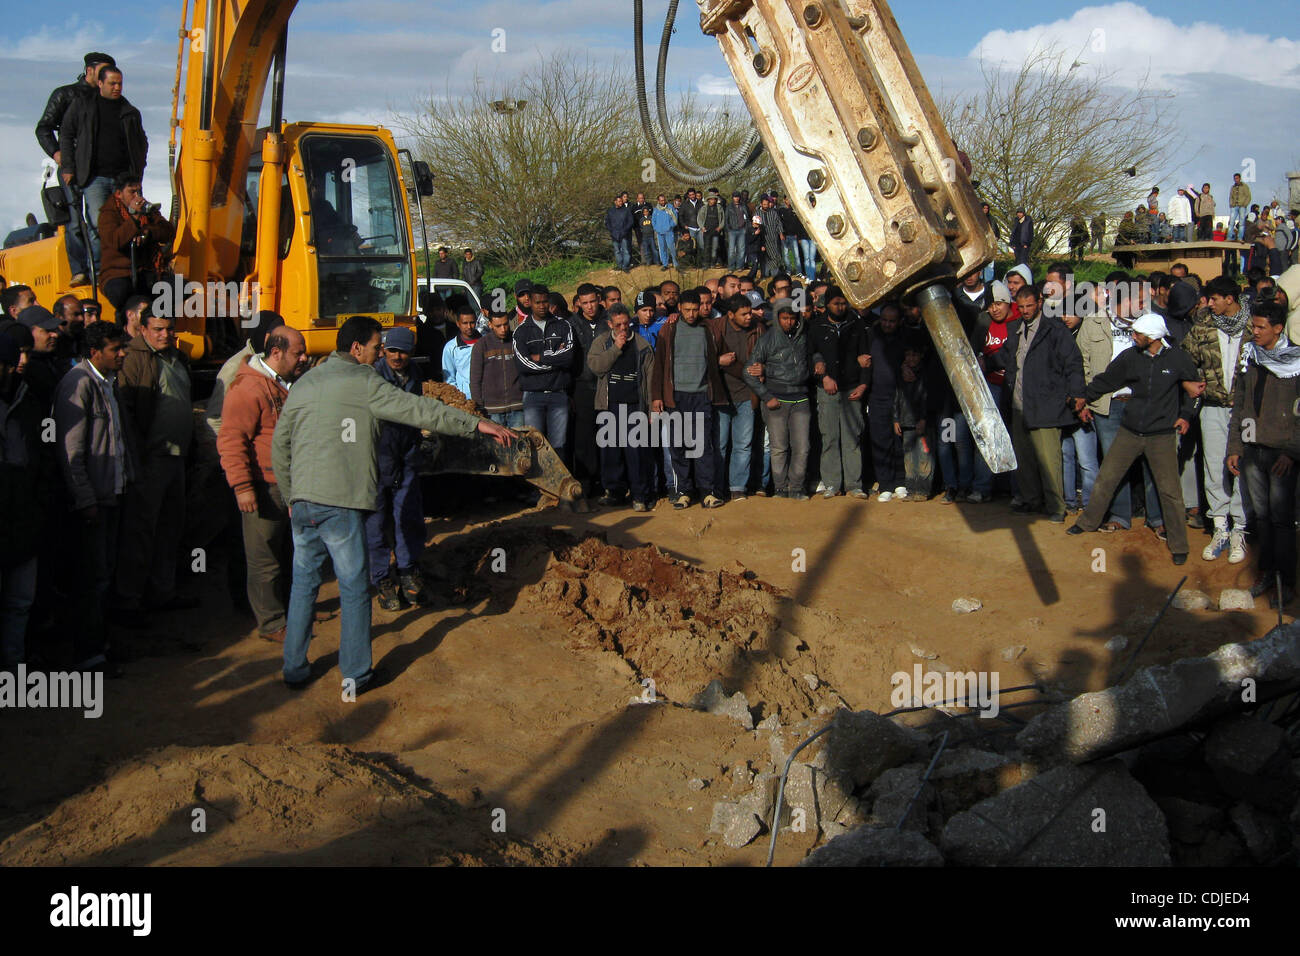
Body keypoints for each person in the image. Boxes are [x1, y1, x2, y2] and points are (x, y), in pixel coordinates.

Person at [272, 315, 514, 692]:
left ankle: (295, 668)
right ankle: (356, 673)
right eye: (374, 347)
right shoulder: (364, 381)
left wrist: (291, 495)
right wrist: (476, 425)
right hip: (340, 501)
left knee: (304, 584)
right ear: (356, 348)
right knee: (353, 587)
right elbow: (420, 411)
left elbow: (281, 444)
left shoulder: (306, 382)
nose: (379, 353)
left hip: (303, 501)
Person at [1069, 314, 1205, 566]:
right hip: (1129, 431)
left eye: (1138, 334)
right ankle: (1087, 522)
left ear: (1152, 337)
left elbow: (1195, 392)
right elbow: (1107, 380)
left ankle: (1179, 545)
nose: (1133, 337)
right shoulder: (1131, 357)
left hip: (1161, 435)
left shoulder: (1177, 358)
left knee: (1170, 492)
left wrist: (1186, 416)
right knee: (1106, 478)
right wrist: (1084, 397)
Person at [217, 326, 308, 641]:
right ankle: (271, 622)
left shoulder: (280, 383)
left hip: (283, 483)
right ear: (277, 352)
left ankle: (282, 610)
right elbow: (231, 440)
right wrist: (242, 487)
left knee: (283, 551)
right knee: (264, 558)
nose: (304, 357)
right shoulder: (247, 389)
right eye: (299, 352)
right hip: (262, 484)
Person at [54, 321, 134, 674]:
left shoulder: (108, 385)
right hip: (93, 501)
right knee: (91, 578)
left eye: (122, 347)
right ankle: (88, 655)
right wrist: (84, 498)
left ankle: (99, 644)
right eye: (115, 349)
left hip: (111, 494)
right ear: (94, 352)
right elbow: (70, 451)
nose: (122, 354)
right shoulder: (79, 385)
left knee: (104, 574)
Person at [114, 311, 195, 620]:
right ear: (143, 330)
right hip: (151, 459)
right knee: (140, 532)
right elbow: (129, 412)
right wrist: (139, 456)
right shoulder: (134, 358)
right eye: (158, 329)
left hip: (176, 457)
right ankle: (129, 600)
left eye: (169, 329)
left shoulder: (176, 357)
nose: (165, 334)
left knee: (169, 529)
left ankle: (163, 592)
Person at [1225, 303, 1300, 606]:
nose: (1253, 332)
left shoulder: (1296, 362)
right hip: (1253, 450)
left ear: (1278, 329)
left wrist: (1292, 452)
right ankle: (1267, 573)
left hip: (1283, 453)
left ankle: (1286, 582)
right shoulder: (1250, 356)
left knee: (1283, 520)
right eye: (1252, 327)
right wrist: (1234, 447)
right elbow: (1240, 404)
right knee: (1263, 517)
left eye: (1260, 328)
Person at [994, 284, 1085, 522]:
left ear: (1040, 303)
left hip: (1046, 404)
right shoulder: (1015, 328)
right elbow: (1004, 356)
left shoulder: (1055, 329)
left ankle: (1056, 507)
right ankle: (1031, 500)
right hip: (1018, 404)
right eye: (1021, 307)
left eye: (1029, 306)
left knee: (1048, 459)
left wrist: (1077, 393)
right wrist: (983, 360)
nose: (1025, 311)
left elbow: (1073, 363)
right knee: (1024, 459)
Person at [1182, 276, 1248, 563]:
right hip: (1212, 407)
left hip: (1245, 411)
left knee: (1242, 467)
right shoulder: (1202, 327)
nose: (1209, 303)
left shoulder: (1253, 326)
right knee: (1214, 466)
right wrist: (1187, 383)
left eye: (1214, 299)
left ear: (1229, 299)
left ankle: (1240, 530)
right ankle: (1220, 526)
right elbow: (1185, 361)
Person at [58, 65, 148, 276]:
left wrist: (139, 168)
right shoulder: (82, 106)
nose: (117, 88)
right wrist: (69, 167)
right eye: (112, 83)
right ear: (100, 83)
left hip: (123, 178)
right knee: (99, 225)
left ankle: (130, 268)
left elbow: (141, 142)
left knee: (131, 221)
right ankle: (100, 270)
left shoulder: (130, 112)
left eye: (120, 83)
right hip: (94, 177)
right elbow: (66, 134)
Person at [36, 52, 117, 282]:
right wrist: (58, 153)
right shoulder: (65, 94)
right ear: (89, 71)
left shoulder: (109, 100)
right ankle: (80, 269)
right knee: (74, 219)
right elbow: (43, 127)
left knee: (101, 218)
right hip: (72, 165)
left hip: (102, 168)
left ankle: (101, 268)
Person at [651, 290, 726, 509]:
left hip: (702, 395)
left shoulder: (709, 328)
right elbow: (659, 365)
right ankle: (683, 491)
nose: (692, 314)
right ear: (679, 309)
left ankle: (708, 492)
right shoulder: (669, 329)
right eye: (687, 310)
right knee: (678, 445)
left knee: (703, 446)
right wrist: (657, 396)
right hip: (675, 397)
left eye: (695, 309)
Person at [0, 333, 48, 667]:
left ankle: (14, 666)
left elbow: (42, 452)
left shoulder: (28, 399)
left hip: (23, 514)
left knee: (21, 600)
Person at [588, 304, 656, 510]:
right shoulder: (601, 342)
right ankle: (614, 492)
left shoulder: (642, 345)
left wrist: (652, 408)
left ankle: (639, 496)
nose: (623, 328)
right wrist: (615, 348)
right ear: (610, 324)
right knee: (611, 452)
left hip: (635, 405)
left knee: (636, 453)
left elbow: (651, 379)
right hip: (610, 405)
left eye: (626, 323)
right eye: (618, 325)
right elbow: (596, 367)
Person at [743, 299, 811, 499]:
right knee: (779, 447)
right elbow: (748, 372)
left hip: (801, 399)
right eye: (784, 318)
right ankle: (781, 488)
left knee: (802, 447)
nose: (789, 322)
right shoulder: (767, 340)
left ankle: (797, 487)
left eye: (792, 318)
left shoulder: (805, 337)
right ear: (777, 317)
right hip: (776, 400)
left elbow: (812, 357)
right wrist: (766, 396)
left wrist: (818, 361)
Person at [809, 287, 869, 499]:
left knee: (852, 437)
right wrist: (823, 378)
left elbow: (866, 358)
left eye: (843, 303)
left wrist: (863, 385)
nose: (840, 307)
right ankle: (832, 484)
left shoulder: (857, 324)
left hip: (852, 388)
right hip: (827, 390)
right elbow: (810, 356)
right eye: (836, 303)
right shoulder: (816, 326)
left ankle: (854, 485)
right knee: (830, 437)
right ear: (827, 305)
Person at [513, 284, 574, 461]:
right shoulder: (521, 332)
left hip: (558, 394)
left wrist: (540, 357)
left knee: (558, 446)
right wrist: (555, 360)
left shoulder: (564, 326)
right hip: (533, 396)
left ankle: (558, 487)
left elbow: (568, 356)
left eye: (545, 302)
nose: (542, 306)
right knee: (534, 445)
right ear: (530, 303)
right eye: (537, 302)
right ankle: (538, 488)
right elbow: (523, 364)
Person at [710, 293, 763, 500]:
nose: (749, 317)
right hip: (722, 396)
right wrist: (718, 361)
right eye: (744, 314)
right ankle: (718, 487)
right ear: (730, 315)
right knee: (720, 445)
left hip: (746, 396)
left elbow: (768, 355)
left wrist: (763, 368)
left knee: (743, 444)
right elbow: (702, 358)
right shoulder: (715, 328)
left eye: (750, 312)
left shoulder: (758, 329)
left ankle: (737, 487)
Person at [97, 174, 174, 310]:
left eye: (139, 191)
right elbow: (115, 241)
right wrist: (134, 218)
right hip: (119, 272)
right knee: (123, 294)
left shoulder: (148, 210)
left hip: (148, 270)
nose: (137, 196)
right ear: (119, 194)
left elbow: (168, 232)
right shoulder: (107, 214)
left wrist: (148, 233)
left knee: (180, 289)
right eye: (132, 192)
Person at [894, 334, 933, 500]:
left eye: (914, 355)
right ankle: (911, 489)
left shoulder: (926, 374)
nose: (911, 358)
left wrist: (923, 419)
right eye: (908, 355)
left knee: (924, 457)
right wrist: (895, 419)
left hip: (922, 422)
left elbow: (927, 398)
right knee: (909, 458)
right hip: (906, 421)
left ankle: (923, 490)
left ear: (921, 356)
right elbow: (896, 397)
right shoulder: (901, 374)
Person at [470, 311, 525, 426]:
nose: (503, 329)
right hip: (491, 410)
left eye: (505, 324)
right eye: (498, 326)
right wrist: (479, 406)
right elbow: (475, 380)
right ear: (490, 324)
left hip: (517, 406)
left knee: (519, 442)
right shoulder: (481, 346)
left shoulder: (517, 341)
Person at [440, 305, 480, 397]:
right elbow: (449, 379)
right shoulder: (451, 348)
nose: (469, 326)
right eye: (465, 323)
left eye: (472, 322)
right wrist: (460, 398)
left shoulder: (485, 343)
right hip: (465, 399)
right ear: (458, 323)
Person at [605, 194, 634, 272]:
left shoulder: (626, 210)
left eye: (621, 201)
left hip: (624, 234)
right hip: (614, 234)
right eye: (619, 201)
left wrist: (625, 230)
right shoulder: (610, 211)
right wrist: (611, 230)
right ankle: (619, 265)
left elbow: (630, 221)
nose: (621, 202)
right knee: (617, 251)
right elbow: (607, 222)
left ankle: (625, 266)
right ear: (615, 202)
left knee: (626, 251)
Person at [652, 194, 678, 270]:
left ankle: (675, 263)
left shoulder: (670, 208)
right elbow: (653, 221)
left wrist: (670, 226)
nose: (663, 202)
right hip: (660, 233)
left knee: (671, 248)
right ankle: (665, 264)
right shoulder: (656, 209)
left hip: (669, 232)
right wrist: (656, 229)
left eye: (664, 200)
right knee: (662, 249)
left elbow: (675, 219)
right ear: (658, 201)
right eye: (661, 200)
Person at [725, 193, 749, 272]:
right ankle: (731, 267)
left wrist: (746, 228)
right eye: (735, 197)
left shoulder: (743, 206)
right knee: (731, 250)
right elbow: (726, 219)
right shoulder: (729, 207)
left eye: (738, 197)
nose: (736, 199)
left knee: (741, 249)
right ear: (733, 198)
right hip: (732, 230)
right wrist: (728, 229)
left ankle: (739, 266)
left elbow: (747, 217)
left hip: (742, 230)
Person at [1228, 174, 1250, 242]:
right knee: (1231, 222)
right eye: (1235, 178)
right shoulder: (1233, 187)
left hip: (1242, 206)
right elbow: (1231, 196)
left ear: (1240, 178)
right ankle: (1230, 237)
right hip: (1234, 206)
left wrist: (1244, 204)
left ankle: (1240, 237)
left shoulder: (1244, 186)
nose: (1236, 180)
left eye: (1237, 178)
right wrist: (1231, 204)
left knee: (1241, 223)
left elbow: (1248, 196)